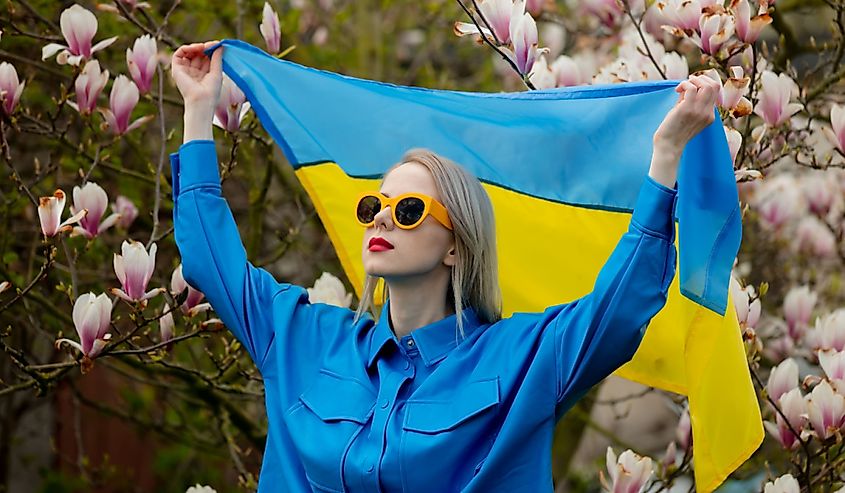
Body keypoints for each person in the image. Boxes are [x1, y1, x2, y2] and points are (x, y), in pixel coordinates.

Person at [170, 40, 720, 493]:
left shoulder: (522, 357)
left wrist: (666, 157)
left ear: (457, 245)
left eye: (408, 211)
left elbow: (618, 311)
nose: (381, 222)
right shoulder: (301, 337)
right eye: (374, 207)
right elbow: (209, 259)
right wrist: (199, 111)